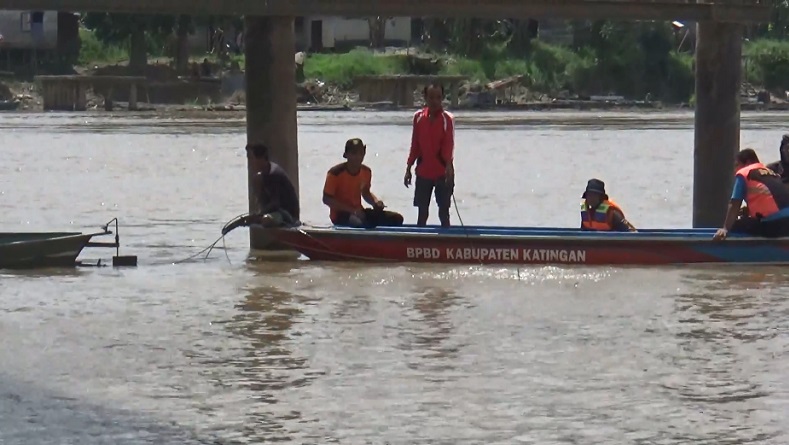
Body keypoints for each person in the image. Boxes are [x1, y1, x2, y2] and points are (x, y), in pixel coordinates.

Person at [404, 82, 455, 227]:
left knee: (443, 211)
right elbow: (415, 145)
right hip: (423, 171)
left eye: (438, 97)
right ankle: (420, 242)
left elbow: (449, 145)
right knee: (422, 211)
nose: (435, 101)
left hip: (442, 172)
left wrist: (449, 168)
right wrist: (408, 168)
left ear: (442, 98)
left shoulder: (447, 119)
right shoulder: (419, 118)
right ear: (425, 98)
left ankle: (446, 241)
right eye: (431, 97)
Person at [323, 138, 405, 228]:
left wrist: (376, 202)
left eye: (360, 153)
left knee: (397, 219)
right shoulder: (335, 173)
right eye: (354, 153)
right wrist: (352, 210)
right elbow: (326, 199)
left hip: (359, 212)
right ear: (346, 155)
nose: (358, 157)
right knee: (358, 223)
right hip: (340, 215)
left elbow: (366, 193)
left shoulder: (366, 171)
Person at [713, 148, 789, 240]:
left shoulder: (744, 173)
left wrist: (725, 229)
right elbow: (771, 200)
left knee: (735, 225)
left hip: (773, 225)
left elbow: (734, 204)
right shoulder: (771, 173)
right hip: (787, 224)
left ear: (747, 162)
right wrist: (749, 210)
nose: (735, 170)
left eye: (737, 165)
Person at [246, 143, 300, 227]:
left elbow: (276, 203)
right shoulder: (263, 174)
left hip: (287, 214)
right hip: (276, 212)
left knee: (266, 220)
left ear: (262, 159)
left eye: (252, 159)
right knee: (257, 179)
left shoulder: (274, 174)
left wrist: (259, 215)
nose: (251, 163)